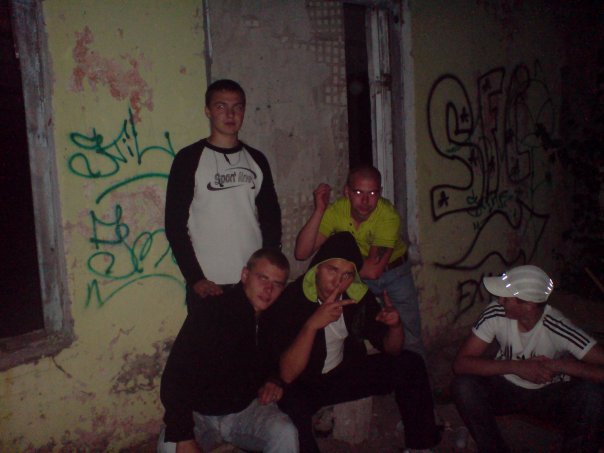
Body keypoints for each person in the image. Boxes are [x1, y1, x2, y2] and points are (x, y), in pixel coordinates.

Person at [264, 232, 440, 453]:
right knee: (291, 404)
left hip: (342, 372)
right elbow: (287, 374)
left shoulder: (356, 295)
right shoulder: (292, 300)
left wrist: (395, 326)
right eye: (332, 270)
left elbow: (391, 349)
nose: (338, 282)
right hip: (304, 382)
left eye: (347, 274)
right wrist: (311, 325)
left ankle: (421, 446)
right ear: (317, 268)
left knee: (410, 363)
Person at [452, 264, 604, 453]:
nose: (499, 301)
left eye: (506, 298)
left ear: (528, 305)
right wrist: (517, 367)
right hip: (506, 387)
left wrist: (558, 365)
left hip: (548, 394)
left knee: (592, 395)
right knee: (464, 386)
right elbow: (461, 364)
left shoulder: (557, 326)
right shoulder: (496, 313)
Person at [158, 248, 298, 453]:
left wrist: (273, 379)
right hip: (199, 414)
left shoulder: (276, 318)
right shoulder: (212, 311)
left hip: (245, 411)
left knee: (286, 433)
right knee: (169, 447)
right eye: (262, 278)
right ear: (245, 275)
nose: (268, 289)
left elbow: (278, 359)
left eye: (277, 284)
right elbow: (175, 377)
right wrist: (184, 435)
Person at [165, 79, 281, 309]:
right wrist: (195, 278)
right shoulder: (189, 159)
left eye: (237, 107)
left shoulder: (256, 159)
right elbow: (174, 225)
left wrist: (267, 272)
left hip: (251, 281)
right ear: (208, 111)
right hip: (209, 283)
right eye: (221, 106)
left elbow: (271, 219)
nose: (230, 114)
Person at [294, 165, 425, 357]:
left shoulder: (387, 215)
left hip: (395, 273)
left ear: (380, 192)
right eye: (358, 192)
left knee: (409, 334)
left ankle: (416, 373)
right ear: (347, 191)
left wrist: (336, 263)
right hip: (356, 275)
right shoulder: (337, 211)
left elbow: (374, 271)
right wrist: (319, 210)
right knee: (357, 332)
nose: (365, 201)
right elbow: (301, 252)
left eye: (372, 193)